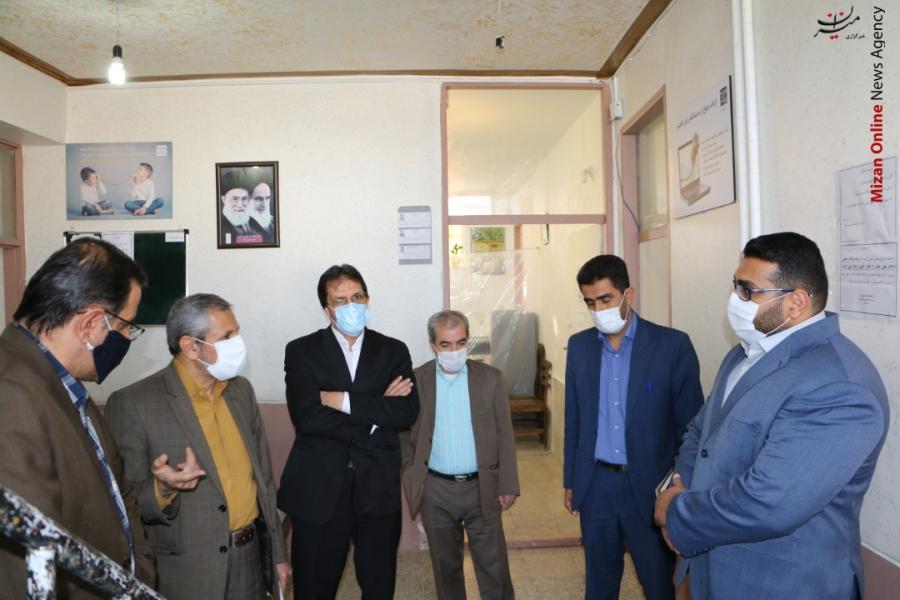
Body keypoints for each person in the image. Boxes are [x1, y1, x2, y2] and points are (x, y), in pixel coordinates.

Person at [655, 232, 890, 600]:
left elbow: (770, 501)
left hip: (779, 584)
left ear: (796, 302)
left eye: (748, 291)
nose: (735, 300)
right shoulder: (744, 354)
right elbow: (701, 433)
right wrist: (677, 486)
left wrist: (678, 512)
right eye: (736, 286)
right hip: (712, 572)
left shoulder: (840, 386)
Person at [105, 293, 290, 600]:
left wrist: (277, 555)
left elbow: (263, 480)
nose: (238, 344)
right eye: (227, 337)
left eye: (237, 333)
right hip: (187, 572)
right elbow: (121, 502)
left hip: (249, 561)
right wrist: (163, 489)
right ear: (191, 347)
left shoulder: (240, 391)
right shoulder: (133, 404)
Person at [0, 237, 155, 598]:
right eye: (126, 325)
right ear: (90, 324)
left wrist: (140, 572)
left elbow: (119, 491)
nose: (127, 337)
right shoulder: (12, 395)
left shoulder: (61, 383)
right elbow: (24, 561)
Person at [564, 254, 704, 600]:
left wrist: (682, 486)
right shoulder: (580, 347)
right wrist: (571, 479)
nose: (598, 310)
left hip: (651, 485)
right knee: (599, 583)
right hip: (596, 485)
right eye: (590, 302)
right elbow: (574, 419)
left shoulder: (671, 346)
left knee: (657, 582)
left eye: (606, 299)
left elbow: (692, 426)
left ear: (629, 294)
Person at [278, 264, 419, 600]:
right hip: (319, 488)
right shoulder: (301, 351)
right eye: (340, 300)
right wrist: (376, 413)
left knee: (378, 586)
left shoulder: (393, 350)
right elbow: (307, 417)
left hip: (377, 488)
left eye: (357, 297)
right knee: (314, 588)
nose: (351, 305)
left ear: (367, 299)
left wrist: (339, 399)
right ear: (327, 309)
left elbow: (405, 412)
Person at [401, 310, 519, 600]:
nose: (454, 351)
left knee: (494, 569)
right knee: (446, 569)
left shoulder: (490, 378)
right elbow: (402, 433)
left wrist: (507, 484)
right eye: (446, 344)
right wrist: (411, 473)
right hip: (436, 490)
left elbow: (505, 434)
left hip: (482, 487)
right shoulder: (416, 381)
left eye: (461, 342)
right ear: (433, 345)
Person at [219, 169, 266, 245]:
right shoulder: (220, 227)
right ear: (224, 200)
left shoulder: (252, 222)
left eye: (244, 199)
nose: (240, 205)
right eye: (235, 199)